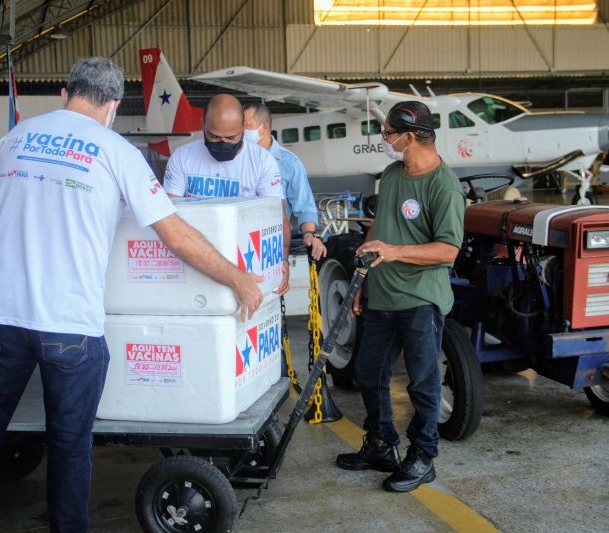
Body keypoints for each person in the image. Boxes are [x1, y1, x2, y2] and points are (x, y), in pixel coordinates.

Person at [0, 58, 263, 532]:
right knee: (70, 447)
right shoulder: (115, 151)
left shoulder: (10, 141)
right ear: (114, 105)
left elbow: (9, 205)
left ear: (64, 93)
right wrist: (237, 278)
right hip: (70, 326)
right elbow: (175, 235)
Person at [335, 101, 465, 493]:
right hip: (382, 297)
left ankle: (423, 456)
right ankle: (380, 444)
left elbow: (448, 250)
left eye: (389, 134)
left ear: (410, 137)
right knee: (368, 373)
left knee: (423, 382)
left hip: (419, 300)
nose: (384, 139)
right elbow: (381, 225)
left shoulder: (444, 186)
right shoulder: (392, 175)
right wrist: (362, 282)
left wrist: (394, 251)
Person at [164, 93, 290, 295]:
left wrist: (282, 260)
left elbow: (277, 217)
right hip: (195, 258)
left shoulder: (262, 162)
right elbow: (169, 217)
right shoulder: (182, 157)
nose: (222, 143)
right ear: (202, 124)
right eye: (214, 136)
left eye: (231, 137)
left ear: (243, 128)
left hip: (245, 261)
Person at [243, 102, 326, 261]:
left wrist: (309, 235)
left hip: (271, 244)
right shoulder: (236, 159)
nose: (242, 131)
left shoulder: (289, 163)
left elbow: (305, 207)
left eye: (247, 126)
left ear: (264, 127)